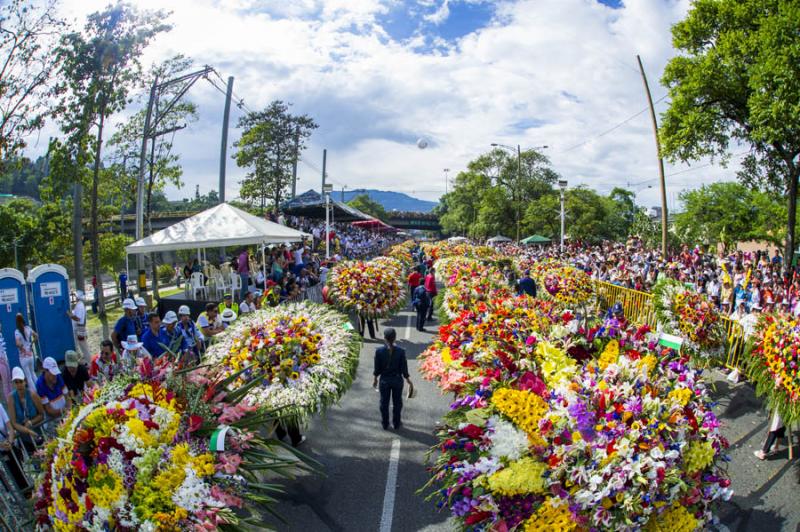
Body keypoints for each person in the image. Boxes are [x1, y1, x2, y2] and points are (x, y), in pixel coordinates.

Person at [372, 327, 411, 430]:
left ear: (384, 338)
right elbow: (404, 368)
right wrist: (408, 380)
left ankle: (385, 423)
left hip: (384, 380)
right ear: (395, 338)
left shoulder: (379, 351)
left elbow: (377, 368)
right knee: (397, 402)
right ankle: (396, 423)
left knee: (384, 402)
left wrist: (375, 379)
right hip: (397, 380)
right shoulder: (401, 351)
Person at [7, 366, 44, 449]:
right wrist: (28, 431)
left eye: (20, 381)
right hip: (24, 438)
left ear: (25, 381)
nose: (19, 385)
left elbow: (42, 415)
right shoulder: (11, 398)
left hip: (38, 433)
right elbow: (13, 422)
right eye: (16, 382)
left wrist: (31, 422)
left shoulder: (33, 395)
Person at [14, 313, 37, 390]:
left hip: (23, 358)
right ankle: (39, 390)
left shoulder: (17, 332)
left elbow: (17, 343)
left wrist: (21, 347)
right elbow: (36, 335)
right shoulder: (28, 328)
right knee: (33, 373)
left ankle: (34, 392)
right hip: (30, 355)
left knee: (28, 376)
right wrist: (32, 343)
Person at [67, 290, 90, 364]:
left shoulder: (79, 305)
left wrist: (70, 315)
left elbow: (78, 318)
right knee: (81, 345)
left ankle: (88, 361)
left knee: (83, 345)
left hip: (80, 328)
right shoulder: (80, 304)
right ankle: (84, 359)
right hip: (80, 328)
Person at [0, 322, 10, 399]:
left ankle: (11, 397)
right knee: (5, 382)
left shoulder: (0, 334)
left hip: (5, 359)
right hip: (1, 362)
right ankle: (8, 399)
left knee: (9, 380)